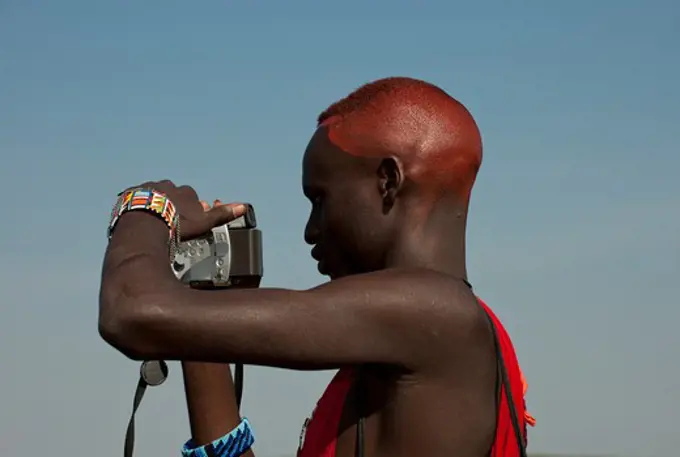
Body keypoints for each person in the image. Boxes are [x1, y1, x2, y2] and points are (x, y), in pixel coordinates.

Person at [99, 77, 535, 457]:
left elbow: (131, 313)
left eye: (320, 200)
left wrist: (146, 208)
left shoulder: (431, 311)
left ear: (388, 181)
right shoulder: (447, 334)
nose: (310, 231)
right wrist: (202, 308)